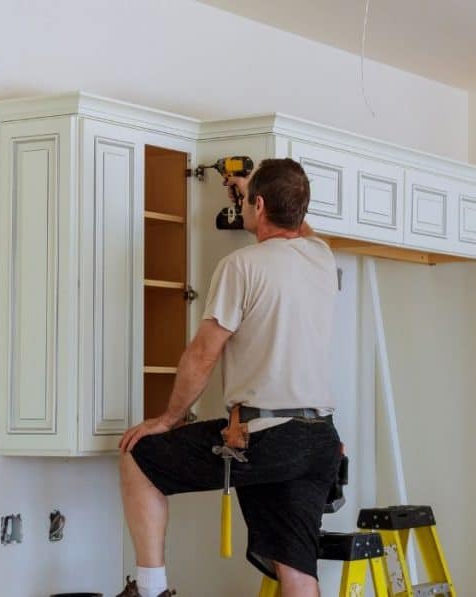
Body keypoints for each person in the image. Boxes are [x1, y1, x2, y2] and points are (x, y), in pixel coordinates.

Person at [115, 158, 341, 597]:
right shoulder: (320, 256)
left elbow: (203, 354)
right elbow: (297, 221)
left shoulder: (242, 265)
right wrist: (260, 194)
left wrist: (168, 418)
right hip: (319, 440)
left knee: (138, 456)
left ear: (257, 205)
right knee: (296, 568)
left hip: (267, 435)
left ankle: (150, 590)